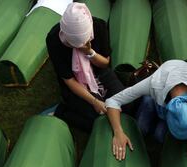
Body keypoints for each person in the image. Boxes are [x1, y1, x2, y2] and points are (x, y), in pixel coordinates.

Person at [105, 60, 187, 161]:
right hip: (157, 92)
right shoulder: (153, 83)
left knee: (160, 135)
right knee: (141, 127)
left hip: (179, 83)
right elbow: (112, 101)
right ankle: (149, 101)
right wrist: (118, 132)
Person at [46, 3, 128, 132]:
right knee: (98, 119)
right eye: (73, 43)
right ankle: (62, 111)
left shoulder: (99, 26)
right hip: (76, 82)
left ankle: (96, 97)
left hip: (100, 72)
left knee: (127, 105)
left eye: (84, 41)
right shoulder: (54, 39)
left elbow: (105, 63)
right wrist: (95, 102)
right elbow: (69, 80)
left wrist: (89, 52)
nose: (79, 46)